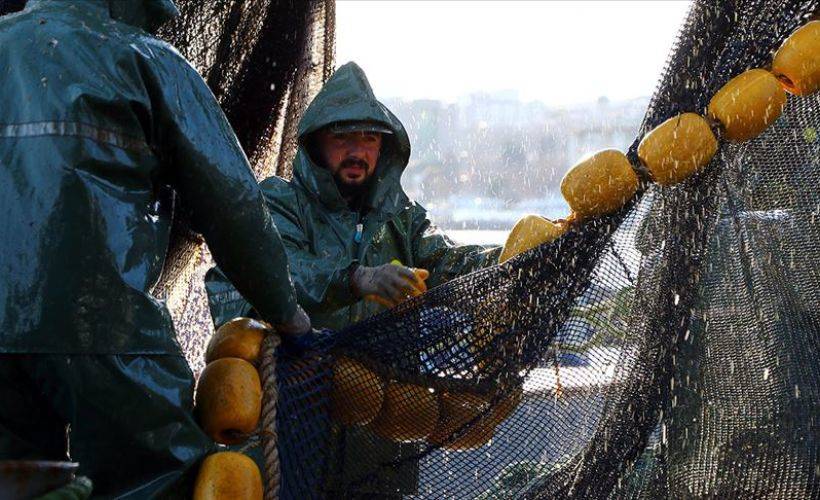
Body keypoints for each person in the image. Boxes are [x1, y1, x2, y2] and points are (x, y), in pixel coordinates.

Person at [0, 0, 310, 497]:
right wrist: (286, 311)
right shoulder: (144, 60)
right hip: (104, 330)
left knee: (18, 486)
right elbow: (232, 206)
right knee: (158, 478)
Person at [205, 61, 500, 497]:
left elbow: (452, 263)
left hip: (381, 445)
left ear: (385, 148)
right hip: (291, 427)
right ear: (316, 145)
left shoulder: (404, 220)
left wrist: (526, 253)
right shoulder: (278, 202)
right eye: (342, 137)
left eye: (369, 138)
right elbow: (272, 272)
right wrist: (357, 278)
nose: (357, 150)